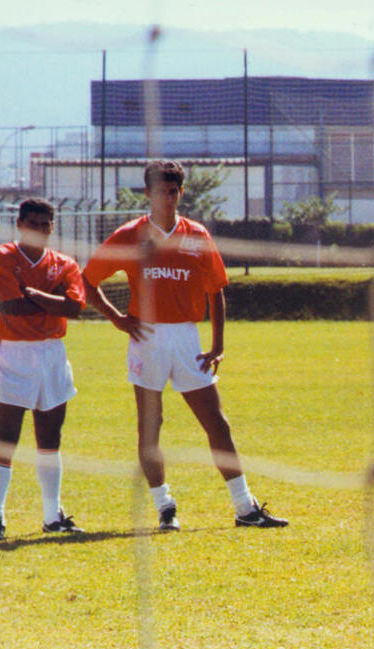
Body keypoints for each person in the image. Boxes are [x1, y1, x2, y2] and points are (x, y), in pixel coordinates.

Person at [82, 159, 287, 531]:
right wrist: (117, 318)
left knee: (217, 423)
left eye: (174, 191)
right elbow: (88, 280)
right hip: (147, 339)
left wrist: (217, 344)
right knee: (151, 426)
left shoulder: (197, 234)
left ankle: (245, 508)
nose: (168, 197)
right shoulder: (130, 235)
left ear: (181, 192)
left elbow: (216, 290)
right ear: (147, 193)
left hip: (188, 339)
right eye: (161, 190)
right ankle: (165, 508)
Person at [0, 198, 87, 540]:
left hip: (52, 353)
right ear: (20, 225)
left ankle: (51, 515)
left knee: (50, 437)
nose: (40, 230)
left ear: (52, 227)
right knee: (6, 439)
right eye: (33, 224)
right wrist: (51, 299)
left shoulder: (65, 263)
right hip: (14, 354)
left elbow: (74, 308)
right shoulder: (0, 257)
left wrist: (33, 293)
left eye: (46, 225)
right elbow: (10, 307)